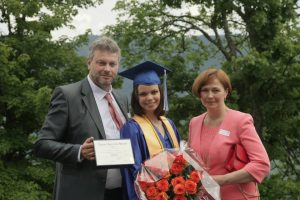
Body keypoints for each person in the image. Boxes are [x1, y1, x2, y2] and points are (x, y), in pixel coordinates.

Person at [34, 36, 129, 200]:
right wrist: (78, 151)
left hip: (121, 193)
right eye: (101, 63)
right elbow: (42, 144)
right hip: (83, 193)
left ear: (117, 66)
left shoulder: (121, 99)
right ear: (89, 62)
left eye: (112, 64)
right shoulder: (67, 95)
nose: (107, 69)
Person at [188, 68, 270, 200]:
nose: (210, 95)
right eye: (205, 90)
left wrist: (219, 180)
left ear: (226, 92)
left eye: (215, 90)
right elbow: (192, 163)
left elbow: (262, 164)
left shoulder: (241, 121)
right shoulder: (194, 123)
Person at [118, 61, 181, 200]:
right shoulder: (131, 129)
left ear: (161, 92)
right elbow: (134, 172)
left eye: (154, 92)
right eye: (143, 94)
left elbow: (181, 160)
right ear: (136, 97)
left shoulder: (168, 124)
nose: (150, 98)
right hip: (148, 196)